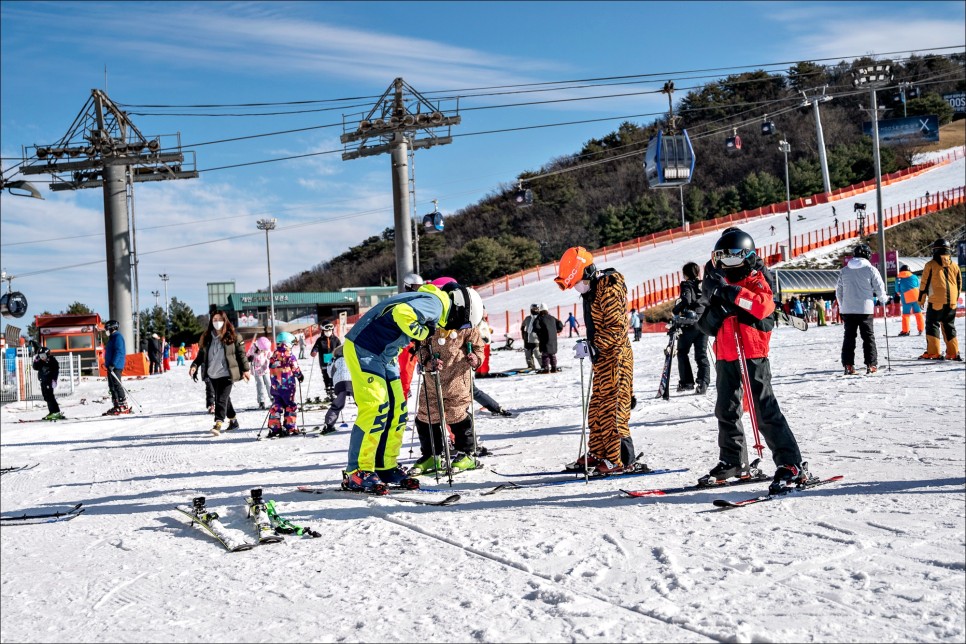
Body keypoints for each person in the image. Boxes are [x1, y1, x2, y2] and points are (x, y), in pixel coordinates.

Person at [340, 282, 484, 493]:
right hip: (365, 349)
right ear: (459, 310)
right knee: (376, 407)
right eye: (461, 324)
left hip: (384, 354)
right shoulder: (436, 304)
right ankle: (357, 470)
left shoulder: (435, 305)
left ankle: (385, 465)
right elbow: (402, 312)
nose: (457, 329)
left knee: (397, 409)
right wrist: (422, 332)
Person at [696, 228, 808, 494]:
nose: (727, 263)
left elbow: (760, 306)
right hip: (726, 353)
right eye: (721, 257)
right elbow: (706, 325)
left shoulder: (756, 280)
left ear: (747, 256)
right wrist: (716, 303)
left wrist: (732, 294)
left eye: (733, 257)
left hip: (752, 353)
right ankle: (733, 460)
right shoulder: (718, 282)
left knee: (763, 408)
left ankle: (790, 463)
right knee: (726, 408)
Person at [556, 246, 638, 474]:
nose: (577, 289)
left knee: (614, 408)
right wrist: (590, 346)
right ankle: (599, 452)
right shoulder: (592, 291)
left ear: (588, 272)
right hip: (602, 359)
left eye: (577, 282)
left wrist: (594, 345)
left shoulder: (608, 288)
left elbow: (617, 328)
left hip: (616, 357)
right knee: (597, 407)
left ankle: (620, 459)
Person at [410, 321, 485, 475]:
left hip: (457, 378)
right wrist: (427, 361)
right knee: (426, 416)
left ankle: (467, 455)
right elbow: (421, 347)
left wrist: (476, 358)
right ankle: (432, 456)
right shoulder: (429, 324)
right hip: (432, 380)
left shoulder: (466, 324)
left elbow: (479, 348)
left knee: (457, 415)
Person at [189, 311, 250, 436]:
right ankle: (233, 421)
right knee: (224, 398)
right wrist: (194, 365)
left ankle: (218, 423)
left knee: (220, 399)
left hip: (227, 373)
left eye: (219, 319)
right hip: (212, 373)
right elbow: (201, 355)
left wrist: (246, 370)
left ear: (225, 320)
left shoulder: (233, 336)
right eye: (214, 319)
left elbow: (241, 354)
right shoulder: (207, 337)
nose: (217, 322)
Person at [835, 243, 886, 375]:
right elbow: (879, 287)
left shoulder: (844, 270)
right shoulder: (870, 270)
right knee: (868, 338)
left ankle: (848, 365)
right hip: (865, 309)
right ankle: (871, 365)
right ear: (867, 255)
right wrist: (883, 299)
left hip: (848, 309)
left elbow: (838, 291)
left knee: (849, 338)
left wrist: (842, 305)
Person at [918, 239, 962, 360]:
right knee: (949, 325)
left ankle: (933, 352)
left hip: (936, 301)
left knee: (932, 324)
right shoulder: (955, 265)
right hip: (952, 301)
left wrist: (921, 299)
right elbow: (959, 284)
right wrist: (955, 299)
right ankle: (953, 352)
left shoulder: (930, 265)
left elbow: (924, 284)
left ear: (935, 250)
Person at [671, 262, 710, 395]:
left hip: (690, 324)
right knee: (702, 355)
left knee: (682, 352)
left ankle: (687, 382)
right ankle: (703, 383)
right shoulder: (703, 284)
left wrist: (675, 310)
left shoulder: (687, 285)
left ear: (686, 274)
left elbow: (686, 301)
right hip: (703, 324)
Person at [266, 332, 304, 437]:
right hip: (288, 386)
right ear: (287, 344)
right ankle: (290, 427)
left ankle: (275, 428)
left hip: (275, 387)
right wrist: (299, 375)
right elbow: (295, 368)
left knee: (277, 405)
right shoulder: (290, 356)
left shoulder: (273, 356)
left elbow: (271, 368)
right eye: (291, 344)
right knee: (290, 405)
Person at [320, 344, 352, 435]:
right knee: (361, 403)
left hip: (339, 382)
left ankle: (329, 424)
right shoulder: (351, 356)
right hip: (352, 380)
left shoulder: (333, 359)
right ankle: (369, 421)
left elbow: (329, 373)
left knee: (338, 404)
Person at [102, 319, 132, 416]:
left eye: (107, 328)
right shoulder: (112, 337)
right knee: (111, 386)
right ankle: (116, 405)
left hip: (116, 366)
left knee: (117, 385)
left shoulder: (118, 337)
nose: (106, 330)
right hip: (110, 366)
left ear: (112, 328)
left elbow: (119, 352)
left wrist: (113, 364)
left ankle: (123, 405)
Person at [310, 323, 342, 401]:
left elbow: (340, 348)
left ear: (332, 330)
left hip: (333, 360)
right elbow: (315, 347)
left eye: (330, 330)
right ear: (323, 331)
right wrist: (314, 351)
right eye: (326, 330)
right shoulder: (320, 340)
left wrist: (341, 354)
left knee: (333, 374)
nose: (328, 332)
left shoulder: (336, 339)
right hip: (324, 360)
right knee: (325, 375)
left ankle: (334, 390)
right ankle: (328, 390)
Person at [32, 345, 63, 420]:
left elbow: (56, 370)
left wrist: (54, 379)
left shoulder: (52, 360)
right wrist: (35, 361)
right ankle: (53, 412)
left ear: (47, 354)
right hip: (43, 381)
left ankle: (55, 412)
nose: (42, 357)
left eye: (43, 355)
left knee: (49, 396)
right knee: (46, 396)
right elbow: (35, 367)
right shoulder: (41, 361)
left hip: (49, 381)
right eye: (40, 356)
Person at [895, 264, 925, 337]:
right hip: (916, 296)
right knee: (918, 313)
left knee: (906, 315)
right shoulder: (914, 276)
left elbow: (897, 290)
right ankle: (921, 329)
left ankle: (905, 331)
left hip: (906, 297)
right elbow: (917, 285)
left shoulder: (899, 278)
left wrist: (900, 291)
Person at [534, 303, 564, 373]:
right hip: (553, 339)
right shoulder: (552, 317)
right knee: (552, 354)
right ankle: (554, 368)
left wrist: (540, 333)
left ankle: (546, 369)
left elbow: (536, 326)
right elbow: (560, 324)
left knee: (545, 354)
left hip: (544, 339)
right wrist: (557, 330)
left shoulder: (539, 318)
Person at [247, 335, 273, 409]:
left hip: (265, 369)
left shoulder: (267, 348)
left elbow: (270, 356)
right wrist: (249, 358)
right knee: (260, 384)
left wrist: (272, 359)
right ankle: (261, 401)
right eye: (263, 350)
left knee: (269, 383)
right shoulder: (253, 348)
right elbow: (248, 355)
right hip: (257, 370)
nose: (264, 351)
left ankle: (272, 397)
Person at [520, 303, 541, 370]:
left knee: (537, 354)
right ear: (531, 309)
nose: (536, 310)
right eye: (534, 309)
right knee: (528, 354)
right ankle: (531, 366)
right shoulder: (527, 318)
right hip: (527, 339)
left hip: (535, 339)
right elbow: (522, 326)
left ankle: (543, 366)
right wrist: (523, 334)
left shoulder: (540, 318)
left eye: (537, 309)